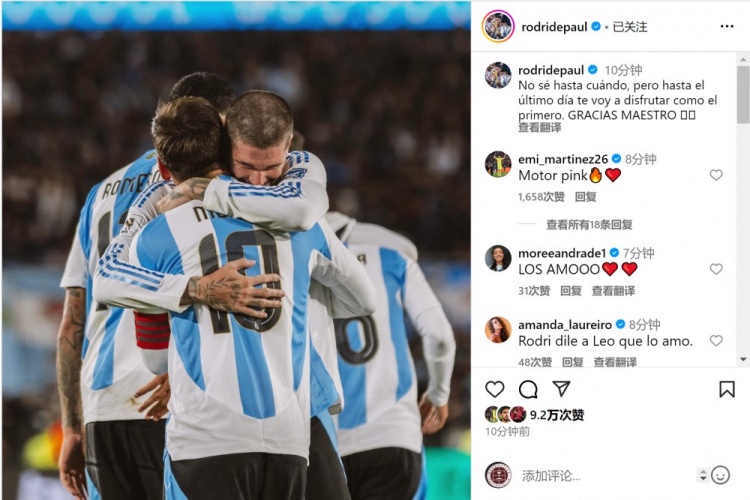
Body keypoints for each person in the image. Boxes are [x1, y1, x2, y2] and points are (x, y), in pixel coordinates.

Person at [131, 95, 376, 498]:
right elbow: (364, 299)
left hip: (209, 434)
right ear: (224, 149)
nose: (259, 181)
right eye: (247, 167)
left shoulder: (161, 228)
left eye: (270, 168)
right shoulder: (304, 222)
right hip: (293, 425)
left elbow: (152, 355)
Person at [57, 73, 282, 500]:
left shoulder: (101, 193)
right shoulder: (218, 186)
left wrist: (72, 426)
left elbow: (72, 321)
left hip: (101, 408)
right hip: (172, 399)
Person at [325, 211, 456, 500]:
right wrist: (438, 394)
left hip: (328, 448)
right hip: (393, 434)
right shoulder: (393, 257)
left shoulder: (300, 262)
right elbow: (440, 336)